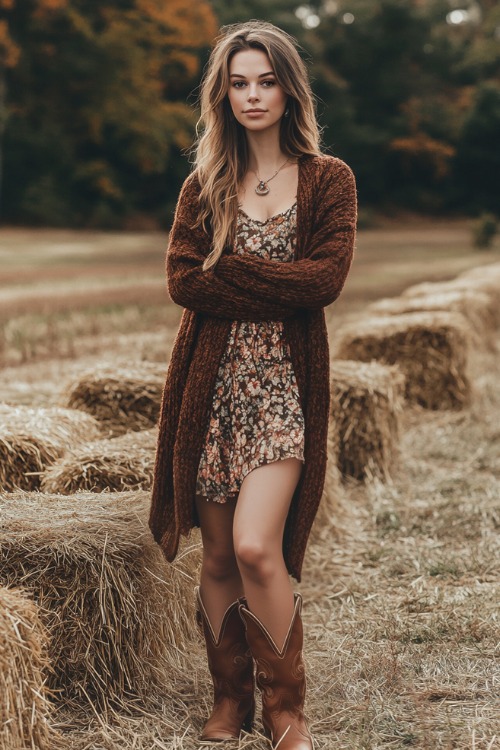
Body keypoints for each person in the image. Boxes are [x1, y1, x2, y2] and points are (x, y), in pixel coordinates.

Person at [148, 19, 357, 750]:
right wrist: (271, 285)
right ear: (222, 94)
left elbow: (324, 281)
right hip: (211, 390)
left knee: (256, 548)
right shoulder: (203, 183)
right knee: (215, 558)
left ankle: (287, 711)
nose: (253, 94)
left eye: (266, 79)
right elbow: (182, 281)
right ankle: (228, 699)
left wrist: (227, 273)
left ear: (289, 88)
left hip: (282, 388)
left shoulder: (330, 179)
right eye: (239, 82)